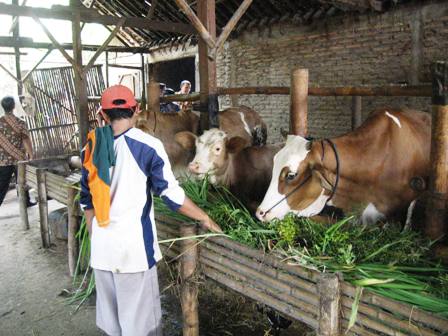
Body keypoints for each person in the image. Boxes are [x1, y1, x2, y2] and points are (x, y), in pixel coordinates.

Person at [80, 85, 222, 336]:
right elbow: (172, 195)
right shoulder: (147, 145)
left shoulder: (90, 147)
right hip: (133, 253)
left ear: (103, 114)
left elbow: (87, 202)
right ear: (135, 111)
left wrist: (98, 238)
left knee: (113, 325)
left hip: (102, 250)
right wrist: (204, 216)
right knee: (141, 327)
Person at [0, 96, 33, 207]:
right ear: (13, 106)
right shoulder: (20, 122)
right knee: (22, 182)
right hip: (19, 158)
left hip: (4, 160)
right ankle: (25, 202)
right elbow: (26, 140)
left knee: (2, 184)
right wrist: (31, 155)